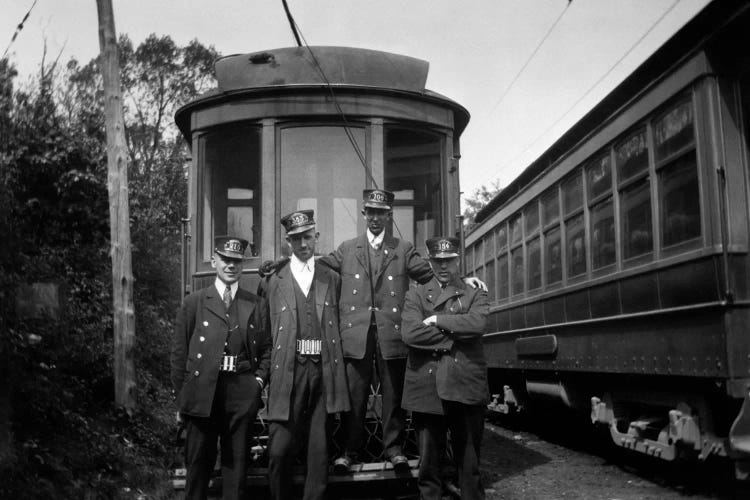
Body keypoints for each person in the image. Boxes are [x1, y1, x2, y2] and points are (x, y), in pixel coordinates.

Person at [261, 189, 485, 472]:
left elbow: (432, 274)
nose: (376, 218)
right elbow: (313, 263)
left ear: (389, 215)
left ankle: (394, 449)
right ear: (364, 214)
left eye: (382, 213)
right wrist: (280, 264)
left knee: (393, 395)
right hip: (355, 336)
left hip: (391, 335)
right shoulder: (347, 248)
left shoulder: (402, 249)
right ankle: (349, 451)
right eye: (371, 212)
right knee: (355, 395)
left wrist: (464, 281)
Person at [171, 236, 272, 500]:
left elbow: (268, 350)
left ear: (243, 265)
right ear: (215, 260)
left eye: (236, 261)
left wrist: (257, 383)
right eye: (225, 260)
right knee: (197, 465)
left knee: (236, 468)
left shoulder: (256, 304)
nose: (230, 266)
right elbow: (179, 354)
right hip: (202, 392)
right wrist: (182, 399)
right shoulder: (194, 302)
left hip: (240, 392)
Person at [261, 210, 350, 500]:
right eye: (296, 239)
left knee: (318, 449)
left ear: (317, 237)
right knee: (279, 449)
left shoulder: (331, 278)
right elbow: (263, 330)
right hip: (288, 370)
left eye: (308, 237)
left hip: (323, 371)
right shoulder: (274, 281)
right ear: (288, 242)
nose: (303, 244)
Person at [401, 236, 490, 500]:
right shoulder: (415, 293)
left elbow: (477, 325)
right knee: (429, 465)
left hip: (465, 384)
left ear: (457, 260)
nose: (443, 266)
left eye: (448, 260)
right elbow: (410, 333)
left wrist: (438, 319)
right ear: (429, 261)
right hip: (427, 386)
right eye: (437, 261)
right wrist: (456, 334)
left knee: (470, 463)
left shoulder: (476, 291)